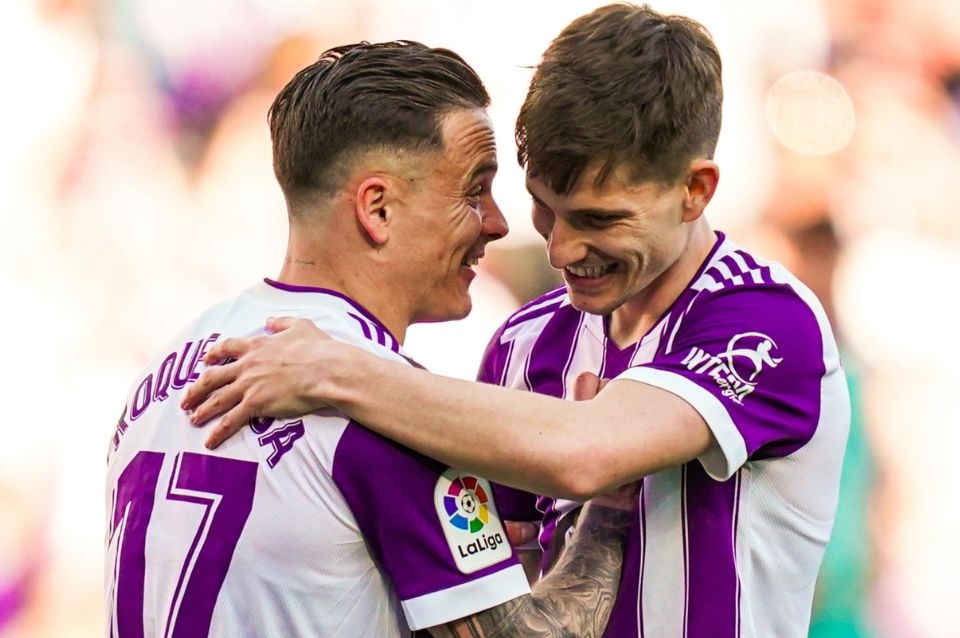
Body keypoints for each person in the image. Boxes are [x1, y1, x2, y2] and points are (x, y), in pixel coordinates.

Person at [182, 5, 852, 638]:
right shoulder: (524, 343)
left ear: (694, 190)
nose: (560, 250)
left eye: (597, 219)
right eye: (543, 208)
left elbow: (586, 453)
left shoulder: (766, 323)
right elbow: (503, 593)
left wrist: (338, 369)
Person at [106, 40, 639, 638]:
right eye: (474, 190)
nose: (497, 223)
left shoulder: (167, 368)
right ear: (378, 209)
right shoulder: (390, 412)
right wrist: (606, 505)